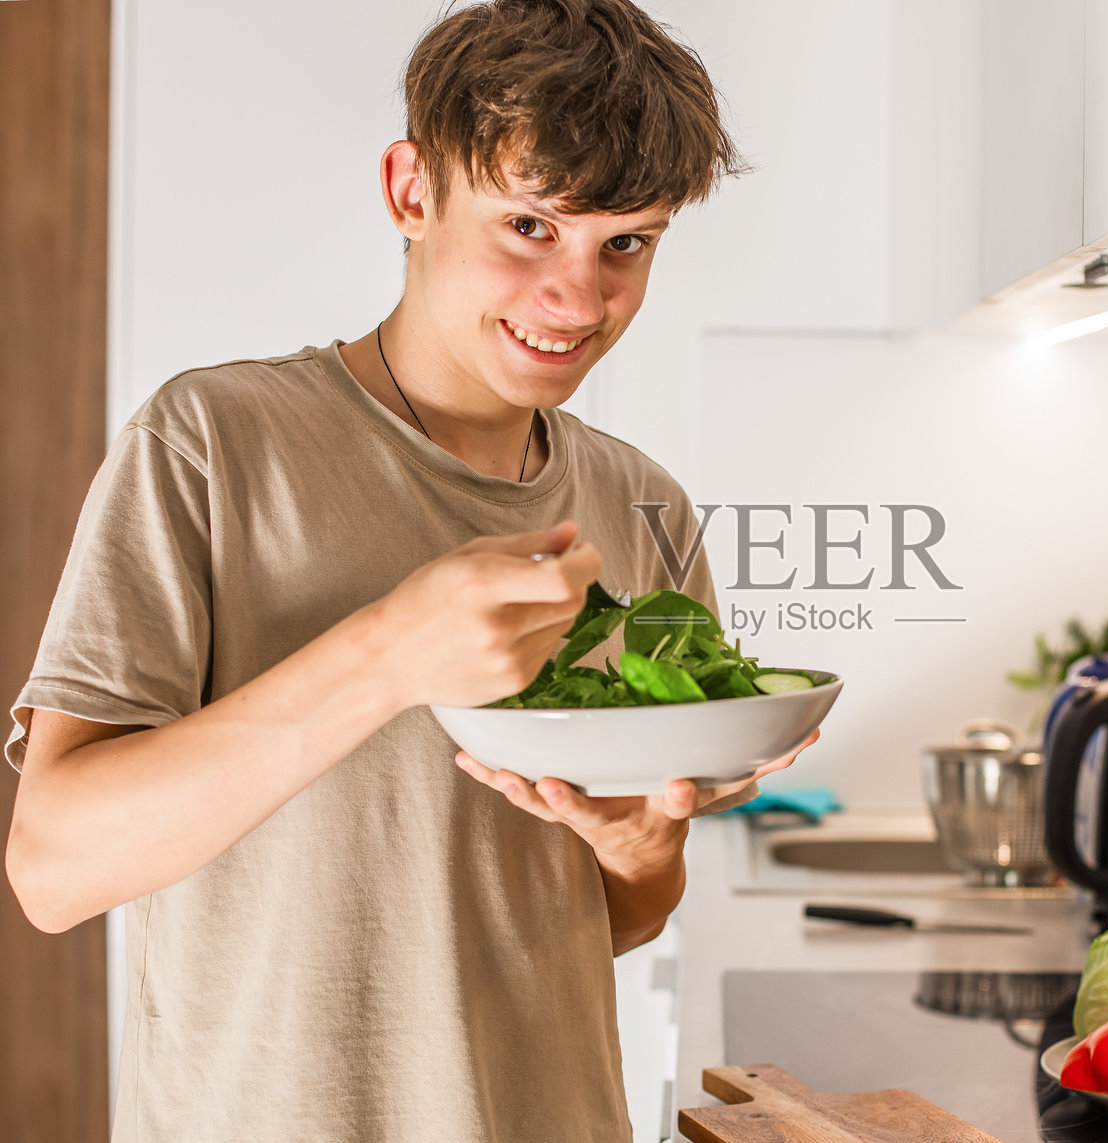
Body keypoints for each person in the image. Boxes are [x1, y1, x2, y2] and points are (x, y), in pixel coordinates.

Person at [4, 1, 814, 1139]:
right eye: (529, 225)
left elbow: (617, 918)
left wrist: (642, 849)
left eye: (626, 244)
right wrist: (385, 654)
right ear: (412, 189)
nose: (579, 299)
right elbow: (52, 871)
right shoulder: (211, 444)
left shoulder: (648, 507)